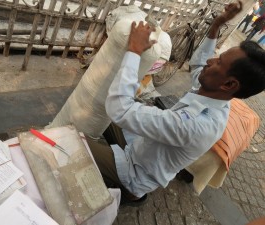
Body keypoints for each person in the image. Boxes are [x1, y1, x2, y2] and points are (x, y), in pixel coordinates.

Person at [86, 1, 265, 205]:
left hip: (133, 172)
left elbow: (120, 109)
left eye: (218, 62)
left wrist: (134, 51)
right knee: (101, 110)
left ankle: (128, 192)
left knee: (70, 143)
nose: (209, 62)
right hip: (140, 148)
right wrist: (217, 25)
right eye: (216, 57)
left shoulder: (198, 124)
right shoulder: (215, 92)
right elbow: (199, 62)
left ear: (229, 83)